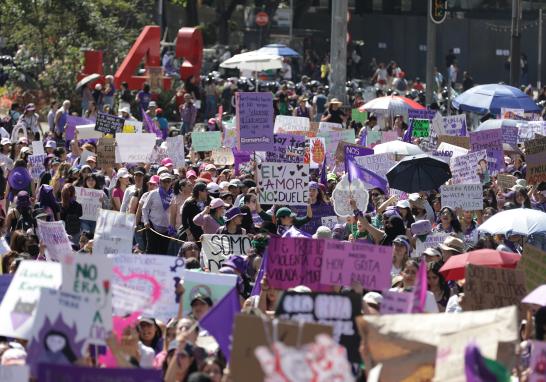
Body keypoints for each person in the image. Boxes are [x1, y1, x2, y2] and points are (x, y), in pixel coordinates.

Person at [142, 172, 174, 255]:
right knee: (151, 250)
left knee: (163, 251)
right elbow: (145, 208)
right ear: (160, 182)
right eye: (164, 181)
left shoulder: (174, 195)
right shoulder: (153, 193)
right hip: (153, 226)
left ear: (171, 182)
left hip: (167, 228)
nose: (166, 183)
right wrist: (146, 221)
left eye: (168, 181)